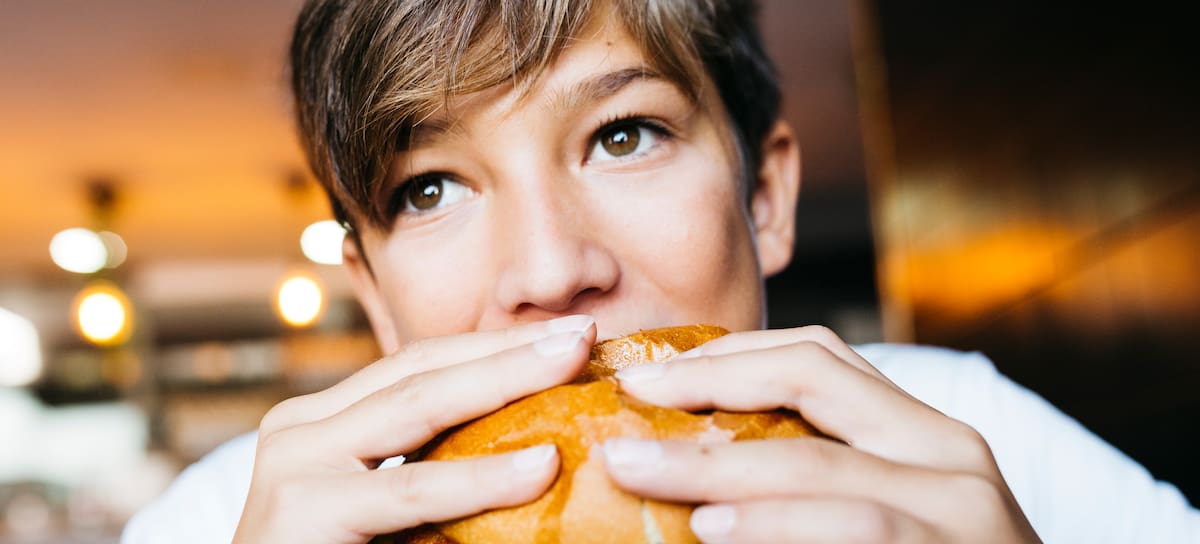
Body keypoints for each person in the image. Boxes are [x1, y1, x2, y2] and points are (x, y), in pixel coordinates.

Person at [123, 0, 1200, 542]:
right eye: (429, 189)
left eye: (625, 134)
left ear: (764, 199)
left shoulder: (966, 434)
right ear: (376, 299)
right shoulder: (219, 521)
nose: (550, 271)